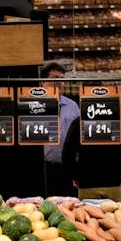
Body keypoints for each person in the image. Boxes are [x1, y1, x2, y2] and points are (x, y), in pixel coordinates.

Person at [62, 112, 121, 201]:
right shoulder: (118, 121)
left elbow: (67, 155)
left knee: (87, 214)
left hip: (87, 184)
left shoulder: (79, 122)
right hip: (113, 183)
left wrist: (77, 176)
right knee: (114, 213)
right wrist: (118, 173)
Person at [41, 61, 80, 197]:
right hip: (44, 168)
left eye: (62, 79)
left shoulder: (73, 106)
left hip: (68, 168)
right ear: (42, 82)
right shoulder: (34, 105)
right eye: (55, 79)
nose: (59, 83)